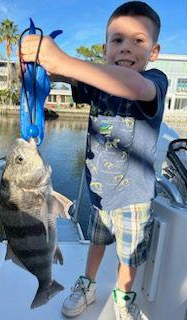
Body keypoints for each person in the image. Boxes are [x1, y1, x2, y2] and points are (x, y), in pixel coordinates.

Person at [20, 1, 168, 319]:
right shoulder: (97, 86)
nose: (126, 48)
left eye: (138, 41)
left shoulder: (153, 81)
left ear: (154, 51)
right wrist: (41, 60)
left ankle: (123, 295)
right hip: (99, 193)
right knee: (97, 243)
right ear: (105, 49)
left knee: (129, 257)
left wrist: (64, 59)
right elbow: (63, 74)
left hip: (135, 199)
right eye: (117, 40)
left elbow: (133, 87)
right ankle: (88, 284)